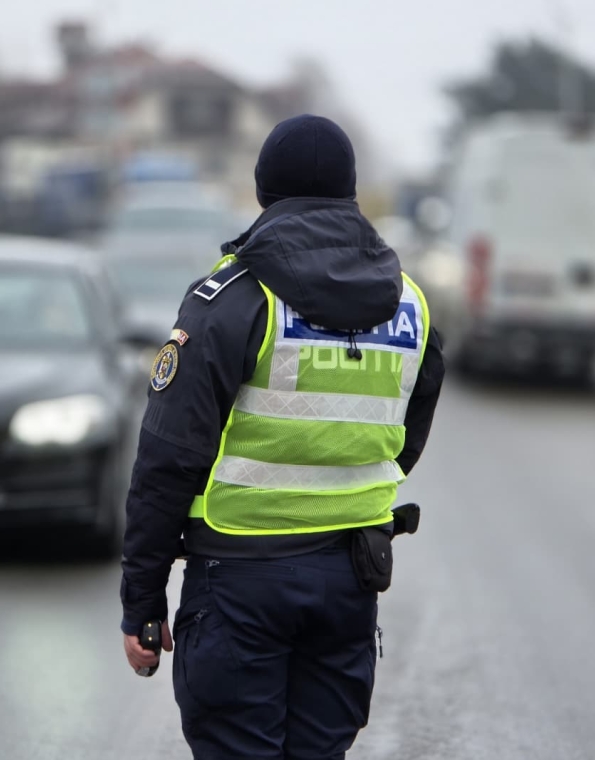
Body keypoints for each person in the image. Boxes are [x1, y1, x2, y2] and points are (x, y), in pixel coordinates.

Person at [119, 114, 446, 759]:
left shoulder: (235, 298)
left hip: (240, 581)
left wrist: (142, 601)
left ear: (264, 192)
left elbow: (168, 459)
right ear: (352, 193)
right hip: (349, 582)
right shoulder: (410, 303)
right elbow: (405, 436)